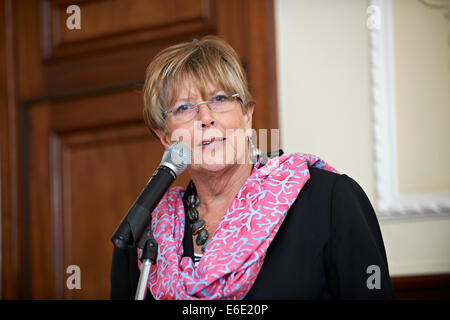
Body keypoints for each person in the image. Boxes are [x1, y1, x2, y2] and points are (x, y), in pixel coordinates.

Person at [110, 35, 395, 300]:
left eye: (220, 98)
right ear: (165, 137)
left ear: (247, 117)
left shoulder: (330, 201)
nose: (206, 117)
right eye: (184, 108)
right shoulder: (144, 234)